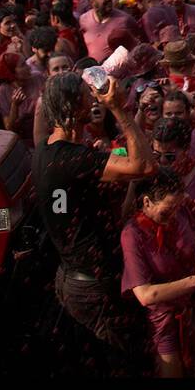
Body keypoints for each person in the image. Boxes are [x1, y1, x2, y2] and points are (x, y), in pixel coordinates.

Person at [33, 72, 155, 370]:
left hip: (75, 279)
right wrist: (119, 109)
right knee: (121, 364)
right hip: (93, 287)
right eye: (88, 95)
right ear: (75, 107)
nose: (95, 99)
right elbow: (144, 166)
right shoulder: (71, 159)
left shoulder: (48, 150)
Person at [120, 167, 195, 378]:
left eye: (177, 208)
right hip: (164, 320)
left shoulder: (180, 211)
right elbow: (146, 295)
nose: (173, 215)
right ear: (147, 202)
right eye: (167, 211)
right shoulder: (133, 234)